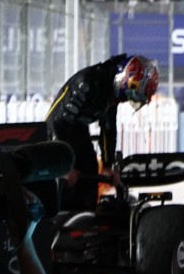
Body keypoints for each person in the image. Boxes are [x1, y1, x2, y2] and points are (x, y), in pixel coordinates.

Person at [46, 54, 159, 210]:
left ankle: (87, 213)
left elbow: (108, 128)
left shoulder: (111, 91)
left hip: (77, 130)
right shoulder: (88, 82)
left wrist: (107, 166)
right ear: (124, 79)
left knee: (90, 170)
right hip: (55, 133)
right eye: (131, 94)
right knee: (66, 182)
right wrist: (63, 166)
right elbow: (57, 121)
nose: (128, 99)